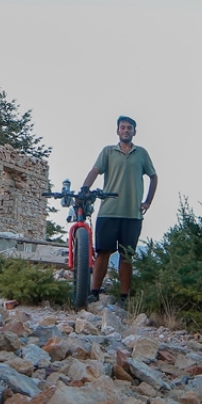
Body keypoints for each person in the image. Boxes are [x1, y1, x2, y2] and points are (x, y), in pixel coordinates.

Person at [80, 115, 157, 304]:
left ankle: (124, 297)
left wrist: (147, 202)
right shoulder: (108, 152)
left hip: (132, 213)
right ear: (117, 131)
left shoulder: (142, 154)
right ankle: (94, 292)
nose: (126, 130)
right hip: (109, 211)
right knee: (103, 253)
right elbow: (95, 171)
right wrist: (85, 188)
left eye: (129, 128)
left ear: (134, 132)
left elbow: (153, 177)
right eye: (122, 127)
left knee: (127, 255)